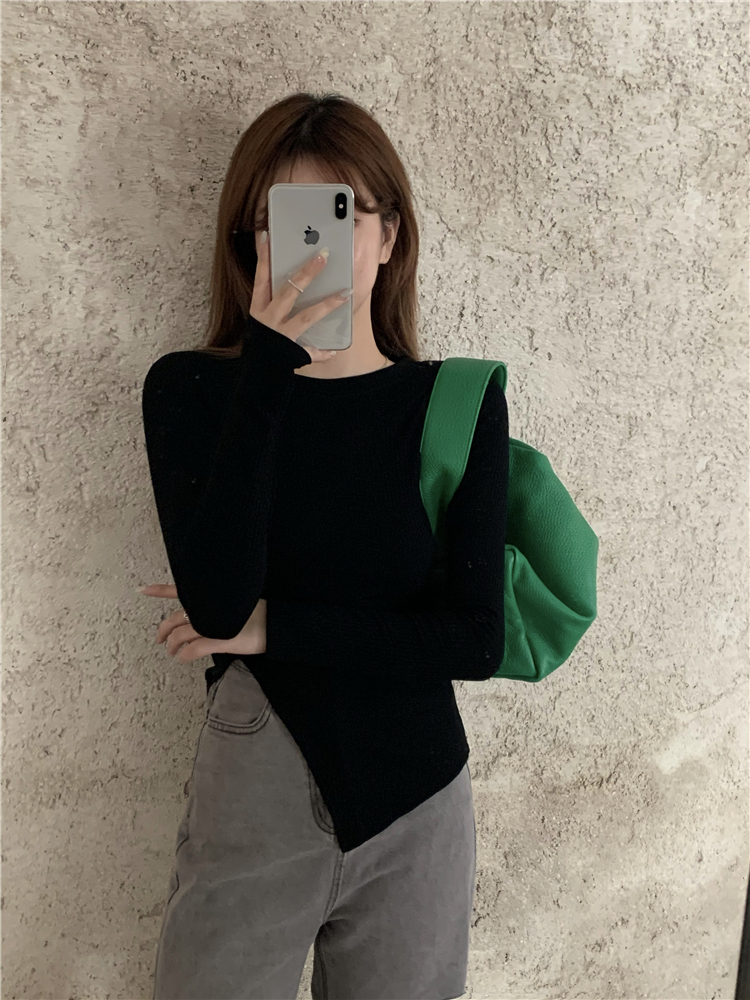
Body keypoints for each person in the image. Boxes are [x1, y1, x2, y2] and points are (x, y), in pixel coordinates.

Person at [141, 91, 509, 1000]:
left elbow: (474, 641)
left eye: (339, 214)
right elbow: (218, 603)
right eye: (282, 221)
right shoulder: (191, 392)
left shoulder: (455, 403)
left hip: (421, 796)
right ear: (247, 242)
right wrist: (271, 364)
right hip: (257, 783)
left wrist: (275, 628)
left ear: (389, 235)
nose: (313, 244)